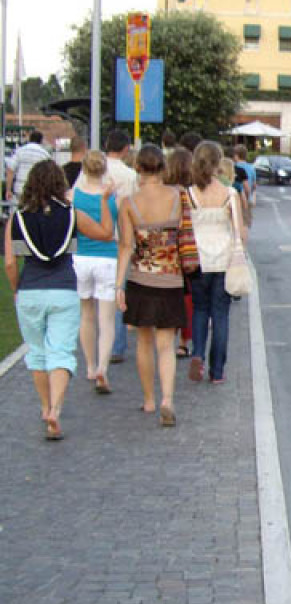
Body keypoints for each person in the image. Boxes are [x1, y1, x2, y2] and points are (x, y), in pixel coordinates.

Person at [5, 159, 114, 440]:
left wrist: (17, 288)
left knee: (37, 353)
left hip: (30, 288)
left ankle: (44, 407)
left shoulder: (18, 218)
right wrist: (104, 201)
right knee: (62, 351)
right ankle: (56, 408)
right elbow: (105, 233)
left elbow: (10, 262)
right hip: (64, 289)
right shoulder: (71, 214)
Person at [114, 144, 186, 427]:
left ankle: (149, 399)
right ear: (163, 168)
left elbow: (125, 247)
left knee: (144, 341)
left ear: (139, 169)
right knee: (166, 344)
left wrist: (118, 286)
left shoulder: (129, 203)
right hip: (171, 277)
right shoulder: (178, 197)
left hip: (140, 278)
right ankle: (168, 399)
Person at [186, 141, 243, 385]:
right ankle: (217, 371)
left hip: (197, 258)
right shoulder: (229, 194)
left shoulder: (189, 194)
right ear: (219, 163)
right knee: (221, 315)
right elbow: (238, 229)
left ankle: (197, 352)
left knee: (200, 309)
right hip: (224, 259)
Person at [72, 151, 120, 394]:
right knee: (107, 319)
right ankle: (103, 366)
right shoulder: (112, 197)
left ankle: (90, 366)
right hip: (107, 258)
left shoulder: (73, 196)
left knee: (86, 315)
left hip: (80, 257)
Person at [103, 130, 137, 364]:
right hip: (120, 237)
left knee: (96, 296)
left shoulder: (93, 169)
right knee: (118, 290)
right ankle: (116, 345)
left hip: (92, 238)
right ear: (125, 149)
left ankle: (101, 342)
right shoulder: (129, 175)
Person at [165, 147, 195, 359]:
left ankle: (169, 335)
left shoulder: (164, 192)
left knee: (169, 295)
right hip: (187, 248)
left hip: (165, 250)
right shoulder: (191, 193)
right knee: (187, 296)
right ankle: (184, 341)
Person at [5, 129, 52, 204]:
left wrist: (8, 190)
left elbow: (10, 169)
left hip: (20, 189)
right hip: (37, 191)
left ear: (30, 139)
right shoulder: (45, 154)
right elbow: (49, 175)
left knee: (18, 212)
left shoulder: (19, 151)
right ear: (41, 141)